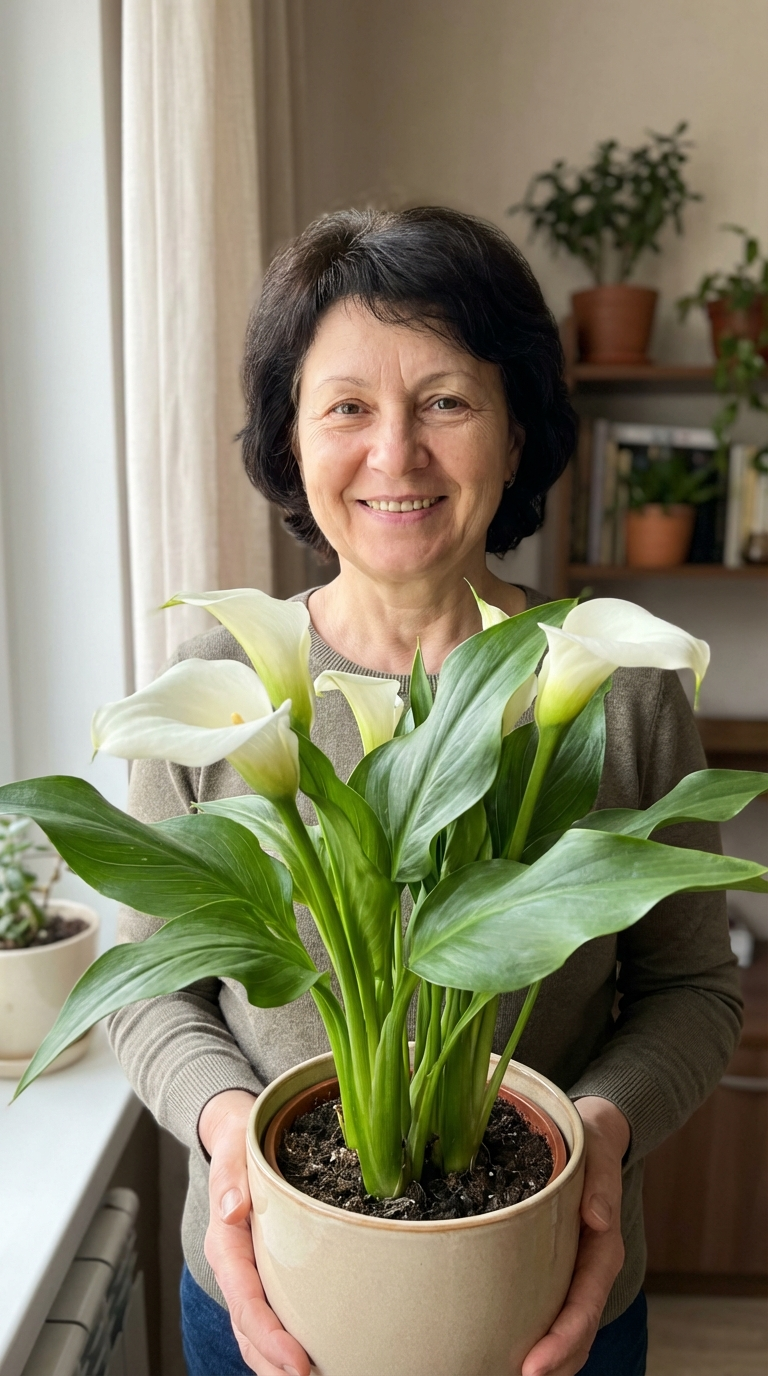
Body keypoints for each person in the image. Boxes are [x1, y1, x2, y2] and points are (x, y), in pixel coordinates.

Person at [109, 207, 741, 1376]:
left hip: (548, 1287)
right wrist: (232, 1133)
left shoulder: (622, 688)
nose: (396, 454)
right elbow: (148, 989)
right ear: (290, 437)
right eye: (347, 406)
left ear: (515, 432)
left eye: (446, 401)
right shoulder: (214, 689)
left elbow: (695, 988)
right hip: (266, 1296)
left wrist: (600, 1135)